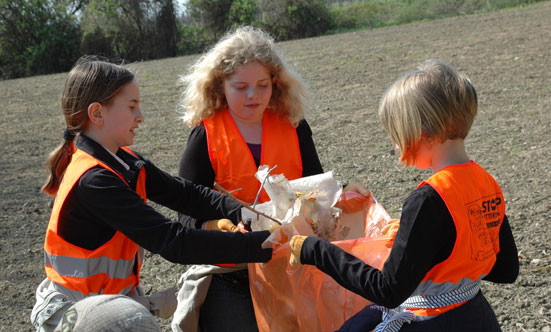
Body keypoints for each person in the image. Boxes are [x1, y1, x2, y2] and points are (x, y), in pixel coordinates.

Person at [30, 56, 274, 332]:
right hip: (79, 315)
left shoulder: (126, 162)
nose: (141, 116)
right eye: (132, 106)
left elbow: (187, 194)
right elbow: (172, 241)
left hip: (107, 305)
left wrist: (244, 212)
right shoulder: (95, 182)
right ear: (97, 113)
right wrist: (265, 246)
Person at [288, 59, 519, 332]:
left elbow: (388, 290)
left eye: (397, 132)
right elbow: (505, 269)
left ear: (421, 131)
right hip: (476, 318)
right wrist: (431, 249)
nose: (395, 143)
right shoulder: (485, 183)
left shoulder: (429, 200)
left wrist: (315, 249)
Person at [172, 26, 332, 332]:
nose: (253, 95)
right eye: (240, 86)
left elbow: (318, 189)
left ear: (276, 82)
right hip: (228, 277)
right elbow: (185, 219)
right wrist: (216, 226)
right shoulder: (205, 136)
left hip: (293, 268)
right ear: (220, 86)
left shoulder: (294, 126)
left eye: (262, 85)